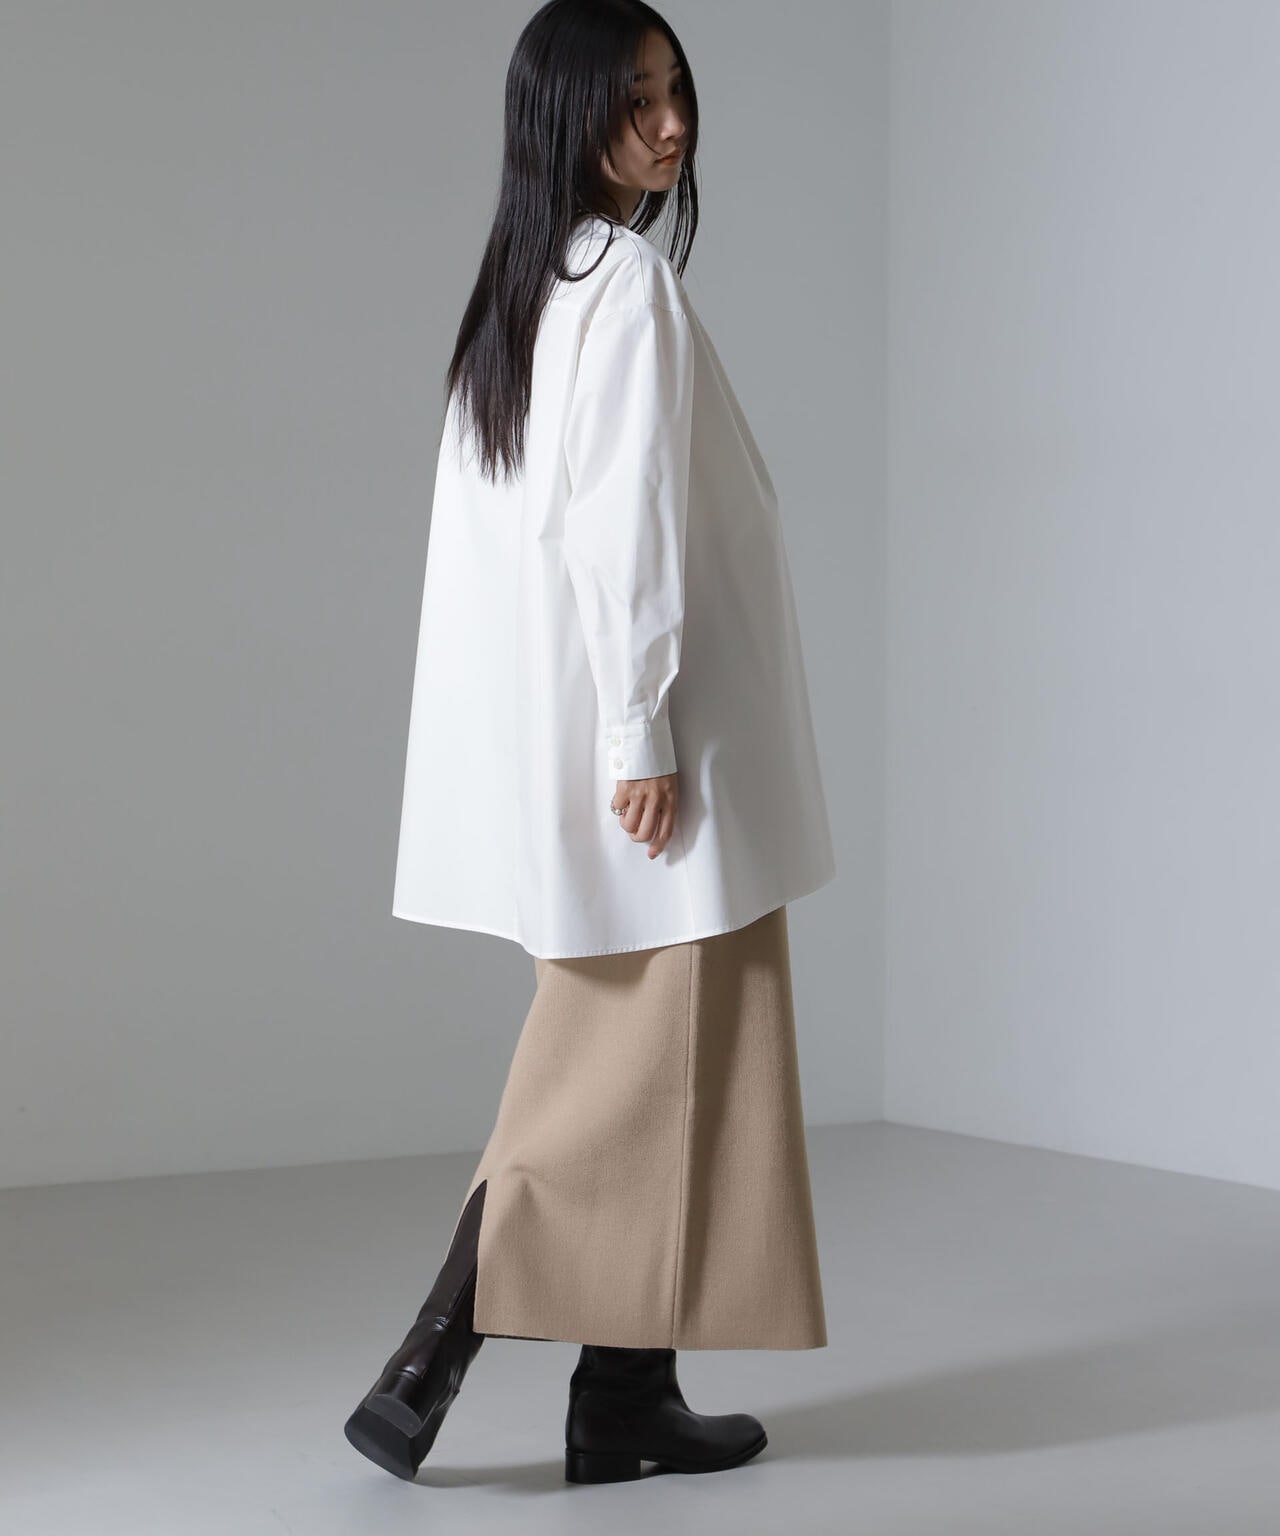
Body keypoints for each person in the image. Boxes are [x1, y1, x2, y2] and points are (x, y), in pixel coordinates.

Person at [344, 0, 836, 1486]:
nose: (670, 124)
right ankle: (428, 1359)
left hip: (602, 746)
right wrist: (640, 731)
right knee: (620, 1074)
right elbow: (622, 531)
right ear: (566, 117)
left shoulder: (528, 288)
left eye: (676, 89)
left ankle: (626, 1397)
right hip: (656, 751)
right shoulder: (619, 287)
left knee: (683, 1064)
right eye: (634, 100)